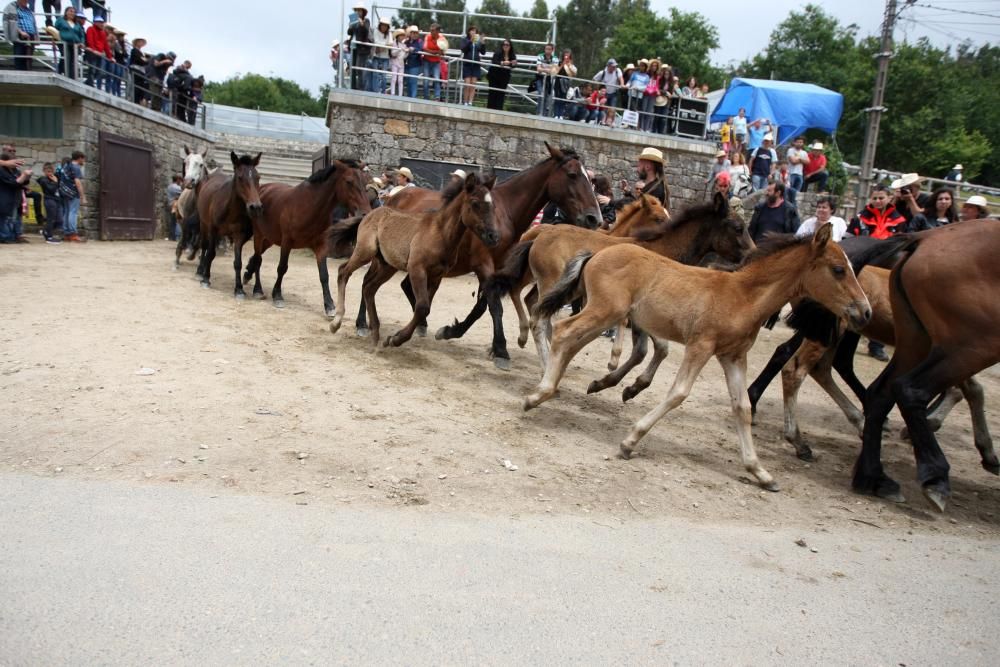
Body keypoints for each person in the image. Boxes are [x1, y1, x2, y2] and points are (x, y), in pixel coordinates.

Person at [0, 149, 32, 243]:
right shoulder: (2, 171)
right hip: (5, 197)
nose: (16, 162)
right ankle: (5, 237)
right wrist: (23, 176)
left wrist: (26, 176)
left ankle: (14, 235)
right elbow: (13, 183)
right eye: (14, 160)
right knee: (5, 218)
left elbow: (22, 182)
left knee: (14, 218)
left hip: (15, 197)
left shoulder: (14, 170)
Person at [59, 150, 86, 242]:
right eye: (83, 159)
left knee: (66, 212)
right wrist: (82, 196)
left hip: (64, 191)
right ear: (79, 158)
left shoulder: (67, 165)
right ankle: (73, 233)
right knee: (73, 212)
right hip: (73, 192)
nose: (83, 161)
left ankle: (66, 233)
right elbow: (77, 182)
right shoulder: (76, 167)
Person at [4, 0, 38, 71]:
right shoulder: (14, 9)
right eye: (24, 0)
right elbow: (11, 22)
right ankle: (19, 73)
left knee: (29, 59)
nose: (26, 2)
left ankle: (28, 74)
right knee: (19, 57)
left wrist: (35, 35)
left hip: (31, 36)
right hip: (20, 36)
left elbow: (33, 24)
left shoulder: (29, 11)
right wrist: (21, 32)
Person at [347, 3, 372, 91]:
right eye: (356, 10)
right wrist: (351, 26)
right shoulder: (353, 21)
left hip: (362, 49)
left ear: (363, 12)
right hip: (353, 47)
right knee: (353, 68)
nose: (358, 12)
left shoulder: (366, 21)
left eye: (360, 10)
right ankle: (353, 87)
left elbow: (366, 32)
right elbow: (349, 32)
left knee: (359, 68)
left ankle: (361, 88)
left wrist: (361, 25)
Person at [486, 37, 516, 111]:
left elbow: (514, 64)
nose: (505, 46)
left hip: (504, 78)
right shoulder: (498, 53)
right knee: (493, 93)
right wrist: (502, 63)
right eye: (504, 44)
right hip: (494, 76)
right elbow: (494, 62)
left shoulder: (512, 55)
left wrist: (511, 63)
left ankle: (499, 109)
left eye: (507, 45)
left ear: (510, 46)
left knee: (501, 94)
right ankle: (490, 109)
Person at [37, 162, 64, 243]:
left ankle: (46, 230)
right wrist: (55, 182)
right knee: (51, 219)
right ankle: (49, 237)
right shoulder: (43, 180)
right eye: (48, 171)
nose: (50, 173)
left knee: (59, 220)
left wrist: (56, 181)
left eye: (51, 171)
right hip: (49, 200)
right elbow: (51, 189)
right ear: (44, 171)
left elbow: (58, 189)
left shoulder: (54, 178)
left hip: (57, 200)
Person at [55, 6, 84, 79]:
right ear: (66, 12)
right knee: (66, 57)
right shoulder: (61, 20)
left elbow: (81, 35)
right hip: (64, 43)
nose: (72, 13)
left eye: (74, 12)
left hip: (75, 44)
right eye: (71, 11)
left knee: (73, 60)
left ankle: (71, 77)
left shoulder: (77, 24)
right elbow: (55, 29)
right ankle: (61, 73)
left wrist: (81, 42)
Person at [83, 14, 111, 90]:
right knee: (92, 69)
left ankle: (88, 82)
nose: (102, 24)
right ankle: (90, 83)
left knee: (98, 71)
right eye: (100, 22)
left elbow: (106, 46)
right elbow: (90, 40)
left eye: (102, 22)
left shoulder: (103, 33)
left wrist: (110, 57)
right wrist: (93, 50)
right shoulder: (90, 29)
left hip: (99, 53)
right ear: (95, 22)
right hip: (92, 52)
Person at [459, 25, 484, 106]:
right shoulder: (465, 40)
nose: (473, 32)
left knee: (473, 84)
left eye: (475, 31)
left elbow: (483, 52)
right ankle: (465, 102)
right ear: (469, 31)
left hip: (476, 65)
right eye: (472, 30)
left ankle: (470, 102)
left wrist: (483, 43)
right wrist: (470, 41)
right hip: (467, 64)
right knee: (467, 84)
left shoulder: (478, 41)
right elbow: (463, 49)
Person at [420, 23, 445, 102]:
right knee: (426, 80)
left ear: (438, 31)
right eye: (430, 30)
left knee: (437, 79)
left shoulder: (442, 38)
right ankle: (426, 97)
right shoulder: (427, 36)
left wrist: (438, 52)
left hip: (436, 62)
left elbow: (443, 51)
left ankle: (437, 97)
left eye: (433, 30)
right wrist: (436, 52)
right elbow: (424, 48)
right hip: (427, 61)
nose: (431, 32)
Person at [551, 49, 577, 119]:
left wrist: (569, 65)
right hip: (558, 82)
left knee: (563, 99)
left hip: (566, 84)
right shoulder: (558, 63)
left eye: (568, 54)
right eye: (565, 54)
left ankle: (561, 115)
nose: (567, 56)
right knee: (557, 98)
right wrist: (563, 64)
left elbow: (574, 74)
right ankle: (556, 114)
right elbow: (554, 72)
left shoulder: (571, 65)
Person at [533, 43, 558, 117]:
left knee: (546, 96)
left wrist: (544, 69)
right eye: (546, 49)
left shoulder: (555, 58)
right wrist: (548, 70)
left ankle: (543, 114)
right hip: (539, 78)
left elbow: (555, 70)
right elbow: (538, 69)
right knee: (541, 93)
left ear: (552, 50)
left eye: (549, 49)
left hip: (549, 79)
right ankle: (538, 113)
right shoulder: (540, 56)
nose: (547, 51)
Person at [370, 17, 392, 94]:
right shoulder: (376, 31)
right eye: (383, 25)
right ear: (380, 25)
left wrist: (381, 47)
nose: (384, 27)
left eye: (386, 25)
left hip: (385, 57)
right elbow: (376, 42)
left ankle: (383, 92)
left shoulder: (389, 33)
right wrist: (385, 45)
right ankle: (375, 91)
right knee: (375, 74)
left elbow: (391, 44)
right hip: (376, 56)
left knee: (384, 76)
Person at [785, 136, 808, 205]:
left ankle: (793, 207)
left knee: (796, 193)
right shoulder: (790, 150)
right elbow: (793, 161)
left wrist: (799, 159)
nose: (799, 143)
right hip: (791, 173)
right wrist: (802, 160)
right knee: (789, 191)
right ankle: (788, 205)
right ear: (794, 142)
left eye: (801, 142)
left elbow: (808, 162)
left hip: (799, 174)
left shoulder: (804, 152)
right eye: (797, 142)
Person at [402, 26, 422, 99]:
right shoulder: (406, 42)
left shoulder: (419, 41)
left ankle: (412, 98)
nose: (415, 34)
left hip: (415, 65)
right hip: (407, 64)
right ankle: (409, 97)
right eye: (413, 33)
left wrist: (413, 49)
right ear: (410, 34)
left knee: (413, 82)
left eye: (416, 33)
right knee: (408, 82)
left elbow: (420, 48)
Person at [128, 37, 150, 105]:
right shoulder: (134, 50)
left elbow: (145, 62)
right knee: (136, 85)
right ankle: (134, 100)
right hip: (135, 69)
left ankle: (138, 100)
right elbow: (140, 60)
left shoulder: (141, 53)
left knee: (140, 86)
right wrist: (144, 61)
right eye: (140, 42)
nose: (141, 43)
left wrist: (144, 61)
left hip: (141, 71)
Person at [388, 29, 406, 96]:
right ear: (398, 36)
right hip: (394, 63)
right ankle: (392, 93)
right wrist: (400, 50)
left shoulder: (404, 45)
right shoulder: (394, 43)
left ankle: (400, 95)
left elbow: (404, 56)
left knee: (400, 80)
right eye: (401, 35)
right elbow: (393, 54)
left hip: (401, 64)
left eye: (403, 36)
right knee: (394, 79)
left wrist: (407, 52)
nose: (402, 37)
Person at [166, 173, 182, 241]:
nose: (181, 181)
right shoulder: (175, 187)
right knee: (178, 221)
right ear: (178, 179)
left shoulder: (170, 186)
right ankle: (177, 237)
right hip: (174, 205)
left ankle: (172, 237)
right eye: (180, 180)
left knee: (172, 222)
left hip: (170, 204)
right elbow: (183, 191)